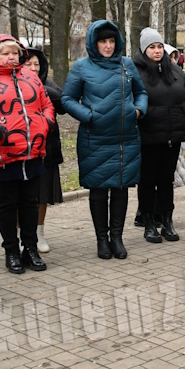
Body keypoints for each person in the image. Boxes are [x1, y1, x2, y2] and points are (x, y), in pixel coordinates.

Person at [62, 20, 148, 259]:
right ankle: (102, 239)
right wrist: (88, 116)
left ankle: (117, 238)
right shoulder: (81, 67)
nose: (108, 46)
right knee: (98, 191)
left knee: (121, 189)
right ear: (94, 42)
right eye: (103, 41)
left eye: (111, 41)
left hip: (125, 138)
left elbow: (141, 92)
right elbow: (67, 99)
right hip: (95, 139)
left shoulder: (127, 65)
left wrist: (138, 111)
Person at [0, 34, 55, 274]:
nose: (11, 57)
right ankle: (11, 251)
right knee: (7, 204)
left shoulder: (30, 76)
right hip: (1, 154)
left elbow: (46, 104)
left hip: (33, 150)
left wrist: (45, 122)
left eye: (14, 52)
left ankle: (30, 248)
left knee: (30, 202)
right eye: (4, 53)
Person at [133, 28, 185, 243]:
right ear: (144, 49)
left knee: (167, 181)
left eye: (159, 46)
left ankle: (167, 221)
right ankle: (149, 222)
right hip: (147, 136)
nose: (157, 51)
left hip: (172, 135)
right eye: (152, 47)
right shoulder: (136, 73)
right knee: (147, 181)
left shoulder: (175, 71)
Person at [24, 45, 66, 254]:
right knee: (18, 195)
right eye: (28, 63)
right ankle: (20, 233)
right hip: (19, 148)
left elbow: (63, 103)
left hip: (46, 147)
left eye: (36, 64)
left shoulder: (47, 85)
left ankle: (39, 232)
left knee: (42, 194)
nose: (33, 68)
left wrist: (40, 88)